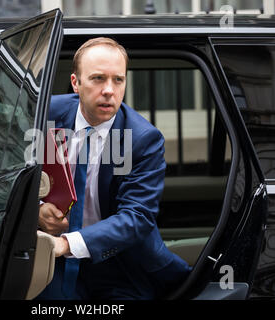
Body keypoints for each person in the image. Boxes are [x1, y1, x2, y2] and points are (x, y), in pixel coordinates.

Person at [37, 37, 191, 300]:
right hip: (52, 260)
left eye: (118, 80)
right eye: (98, 78)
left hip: (119, 261)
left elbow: (137, 216)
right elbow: (7, 177)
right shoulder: (45, 114)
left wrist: (66, 244)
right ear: (76, 83)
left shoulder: (143, 139)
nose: (109, 90)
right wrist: (37, 210)